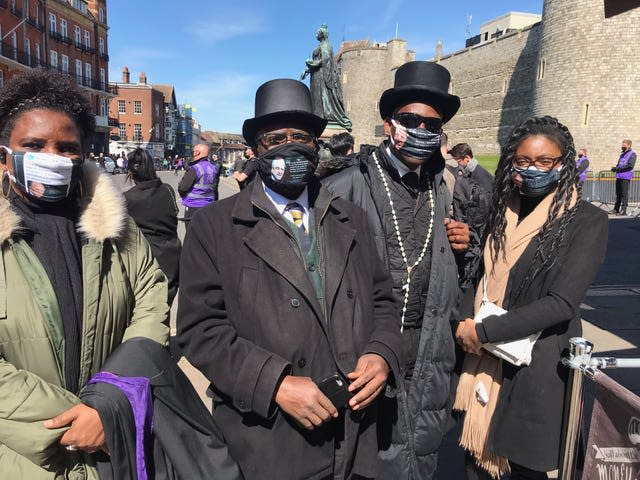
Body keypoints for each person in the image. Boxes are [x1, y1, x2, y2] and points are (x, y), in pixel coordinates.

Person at [177, 78, 402, 480]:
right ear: (256, 150)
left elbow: (383, 299)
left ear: (316, 145)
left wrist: (382, 354)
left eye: (301, 136)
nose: (290, 146)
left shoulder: (351, 217)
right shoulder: (214, 225)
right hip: (270, 441)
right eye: (275, 138)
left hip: (354, 434)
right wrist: (275, 383)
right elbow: (200, 330)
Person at [0, 68, 169, 477]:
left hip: (113, 451)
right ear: (5, 153)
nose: (52, 158)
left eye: (67, 147)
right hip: (24, 458)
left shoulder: (114, 225)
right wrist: (76, 419)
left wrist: (108, 404)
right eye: (34, 144)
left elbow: (151, 295)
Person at [323, 60, 470, 480]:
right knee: (365, 458)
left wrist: (464, 245)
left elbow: (446, 271)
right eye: (410, 120)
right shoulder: (349, 184)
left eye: (432, 125)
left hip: (426, 348)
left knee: (418, 454)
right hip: (366, 348)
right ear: (389, 124)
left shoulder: (443, 187)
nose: (422, 131)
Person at [453, 116, 608, 480]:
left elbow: (561, 302)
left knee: (525, 468)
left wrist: (483, 331)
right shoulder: (501, 210)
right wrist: (464, 323)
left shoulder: (586, 220)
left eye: (544, 162)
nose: (532, 170)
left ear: (563, 163)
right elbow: (480, 275)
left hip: (537, 361)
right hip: (483, 359)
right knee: (476, 463)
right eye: (523, 161)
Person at [124, 148, 182, 306]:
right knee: (165, 307)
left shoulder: (127, 199)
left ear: (131, 172)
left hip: (145, 261)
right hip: (171, 256)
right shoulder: (168, 190)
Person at [301, 24, 352, 131]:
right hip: (316, 76)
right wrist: (307, 70)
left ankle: (324, 118)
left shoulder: (326, 46)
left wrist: (311, 64)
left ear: (323, 34)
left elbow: (325, 60)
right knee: (316, 99)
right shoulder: (322, 46)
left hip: (321, 77)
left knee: (322, 98)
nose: (316, 34)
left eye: (318, 33)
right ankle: (319, 118)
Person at [178, 143, 219, 225]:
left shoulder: (195, 168)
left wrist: (183, 195)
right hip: (208, 205)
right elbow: (215, 187)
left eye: (193, 151)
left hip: (194, 206)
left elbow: (183, 187)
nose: (193, 153)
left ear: (197, 152)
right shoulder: (213, 167)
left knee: (191, 234)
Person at [611, 139, 636, 216]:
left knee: (624, 194)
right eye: (622, 145)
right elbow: (619, 164)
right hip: (619, 176)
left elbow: (630, 166)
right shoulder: (622, 154)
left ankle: (623, 210)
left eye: (624, 145)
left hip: (625, 176)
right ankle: (616, 209)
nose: (622, 146)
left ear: (629, 145)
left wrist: (617, 169)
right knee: (618, 194)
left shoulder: (632, 154)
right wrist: (615, 168)